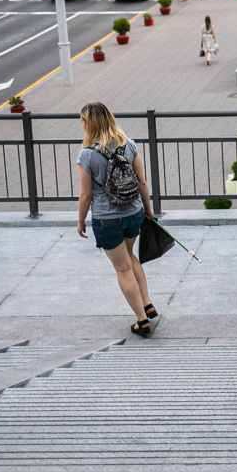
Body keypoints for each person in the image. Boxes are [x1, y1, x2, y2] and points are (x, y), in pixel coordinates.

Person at [76, 102, 157, 339]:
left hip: (107, 220)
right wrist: (148, 210)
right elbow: (142, 182)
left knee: (122, 268)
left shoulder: (87, 154)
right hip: (133, 213)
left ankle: (142, 321)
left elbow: (86, 195)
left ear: (89, 124)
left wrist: (80, 221)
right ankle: (147, 302)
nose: (81, 125)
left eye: (82, 121)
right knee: (130, 257)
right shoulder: (129, 144)